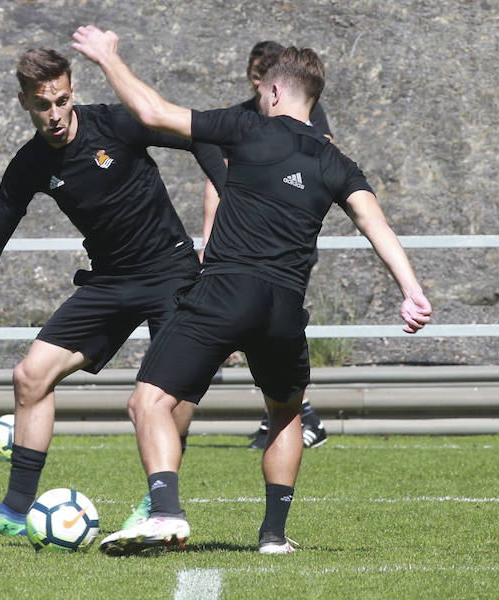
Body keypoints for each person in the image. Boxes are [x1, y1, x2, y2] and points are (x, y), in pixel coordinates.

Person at [72, 25, 432, 554]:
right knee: (286, 412)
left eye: (264, 93)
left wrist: (106, 57)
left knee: (148, 401)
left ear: (276, 92)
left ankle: (165, 513)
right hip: (284, 308)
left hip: (225, 292)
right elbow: (377, 226)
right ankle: (273, 536)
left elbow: (152, 112)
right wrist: (411, 289)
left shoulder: (245, 127)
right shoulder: (336, 162)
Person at [0, 47, 224, 537]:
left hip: (171, 272)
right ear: (24, 102)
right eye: (43, 105)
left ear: (72, 91)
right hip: (109, 281)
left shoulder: (118, 124)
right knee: (30, 376)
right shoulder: (29, 165)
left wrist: (227, 211)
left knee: (168, 393)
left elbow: (200, 137)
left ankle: (158, 503)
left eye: (62, 101)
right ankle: (15, 512)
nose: (55, 114)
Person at [205, 41, 332, 450]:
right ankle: (288, 415)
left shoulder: (303, 113)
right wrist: (209, 239)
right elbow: (215, 177)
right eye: (255, 78)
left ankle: (296, 414)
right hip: (239, 249)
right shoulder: (240, 119)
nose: (262, 87)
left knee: (269, 330)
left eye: (267, 78)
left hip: (285, 248)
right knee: (255, 331)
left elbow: (321, 154)